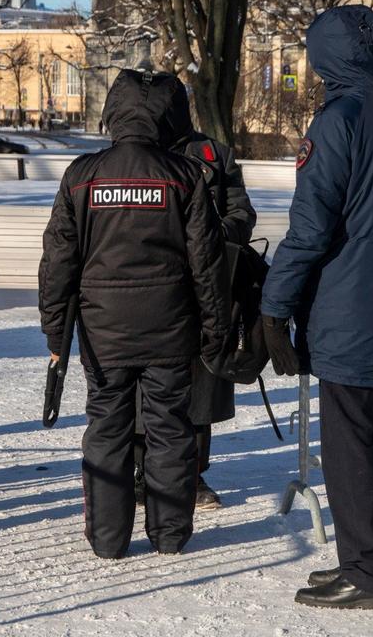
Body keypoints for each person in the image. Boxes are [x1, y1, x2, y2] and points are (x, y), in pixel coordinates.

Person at [260, 5, 373, 610]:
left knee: (350, 450)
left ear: (323, 56)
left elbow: (310, 228)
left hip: (346, 307)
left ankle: (366, 574)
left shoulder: (339, 119)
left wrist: (274, 307)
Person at [39, 69, 230, 559]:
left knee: (107, 427)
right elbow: (206, 265)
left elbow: (58, 263)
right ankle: (169, 536)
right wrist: (215, 329)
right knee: (170, 427)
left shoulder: (82, 176)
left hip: (103, 331)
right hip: (171, 326)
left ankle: (107, 539)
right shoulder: (186, 176)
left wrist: (56, 334)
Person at [132, 85, 256, 510]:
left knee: (201, 387)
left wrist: (217, 234)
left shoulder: (212, 154)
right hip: (151, 289)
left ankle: (193, 475)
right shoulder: (132, 153)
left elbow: (242, 210)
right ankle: (138, 470)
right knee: (141, 386)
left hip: (207, 291)